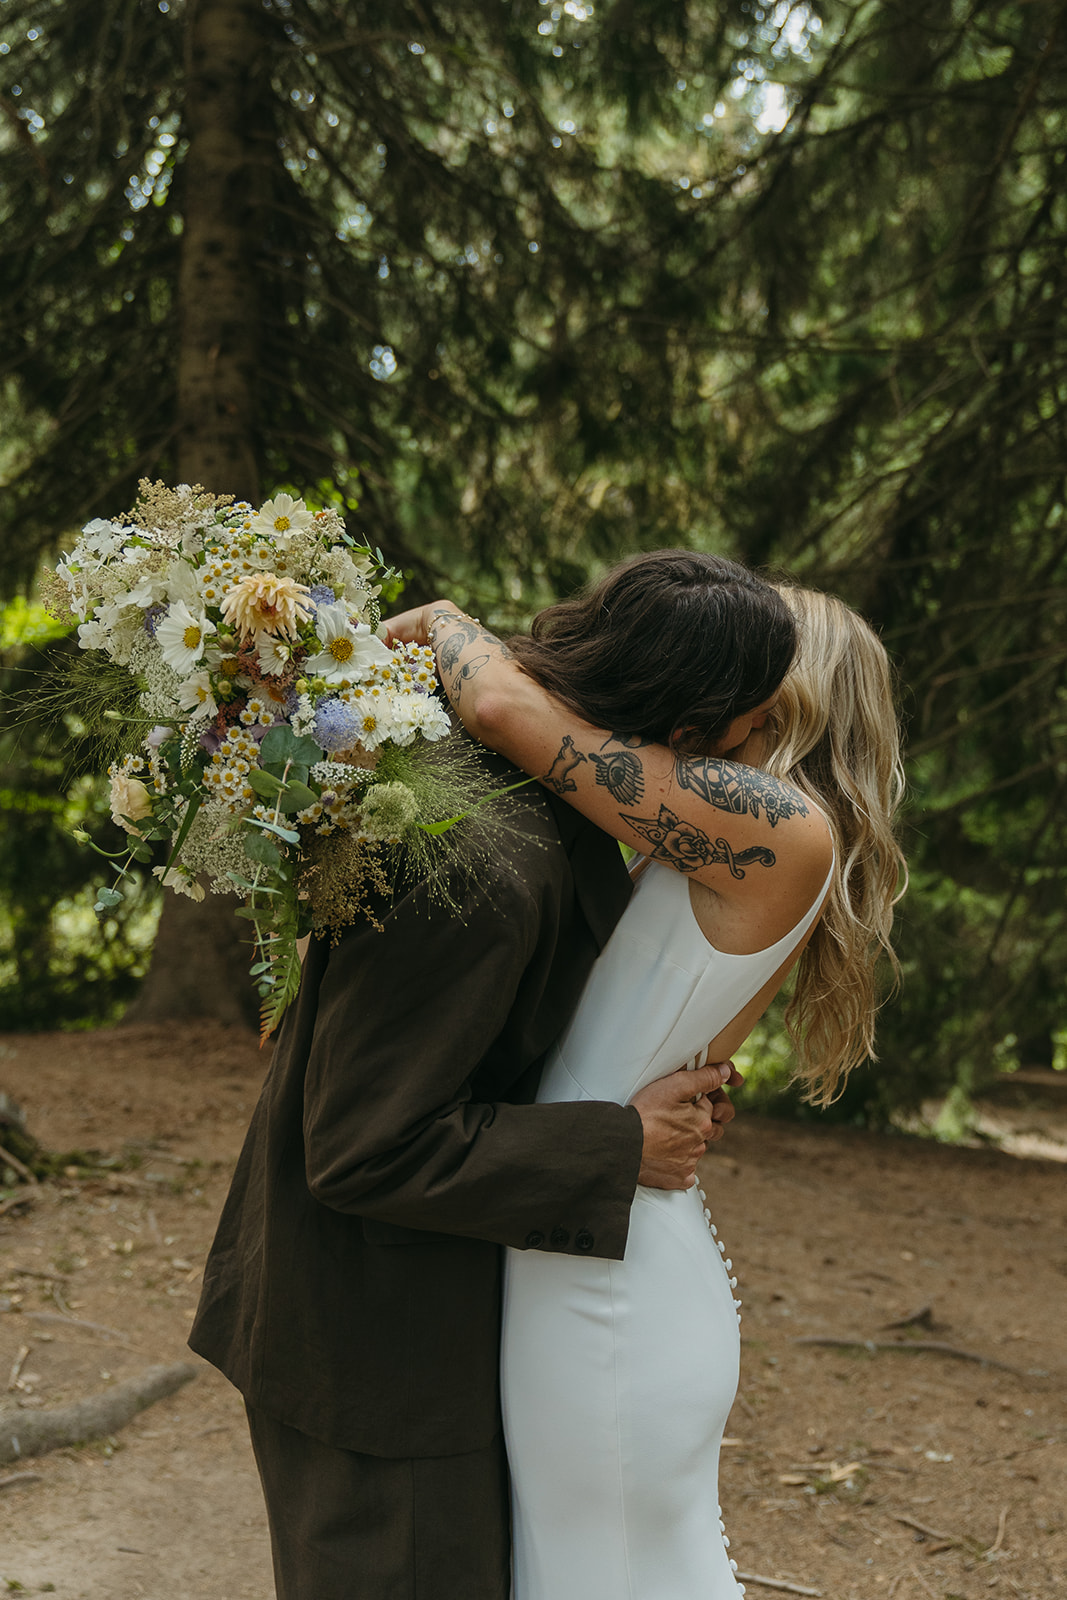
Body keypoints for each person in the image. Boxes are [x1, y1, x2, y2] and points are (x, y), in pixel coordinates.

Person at [188, 550, 799, 1600]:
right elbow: (362, 1145)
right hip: (376, 1350)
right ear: (689, 732)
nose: (750, 766)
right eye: (750, 733)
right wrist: (619, 1142)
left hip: (422, 1316)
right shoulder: (481, 860)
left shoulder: (527, 799)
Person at [386, 581, 905, 1598]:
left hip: (605, 1286)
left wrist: (445, 623)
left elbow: (505, 712)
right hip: (594, 1245)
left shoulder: (778, 825)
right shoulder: (743, 824)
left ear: (790, 692)